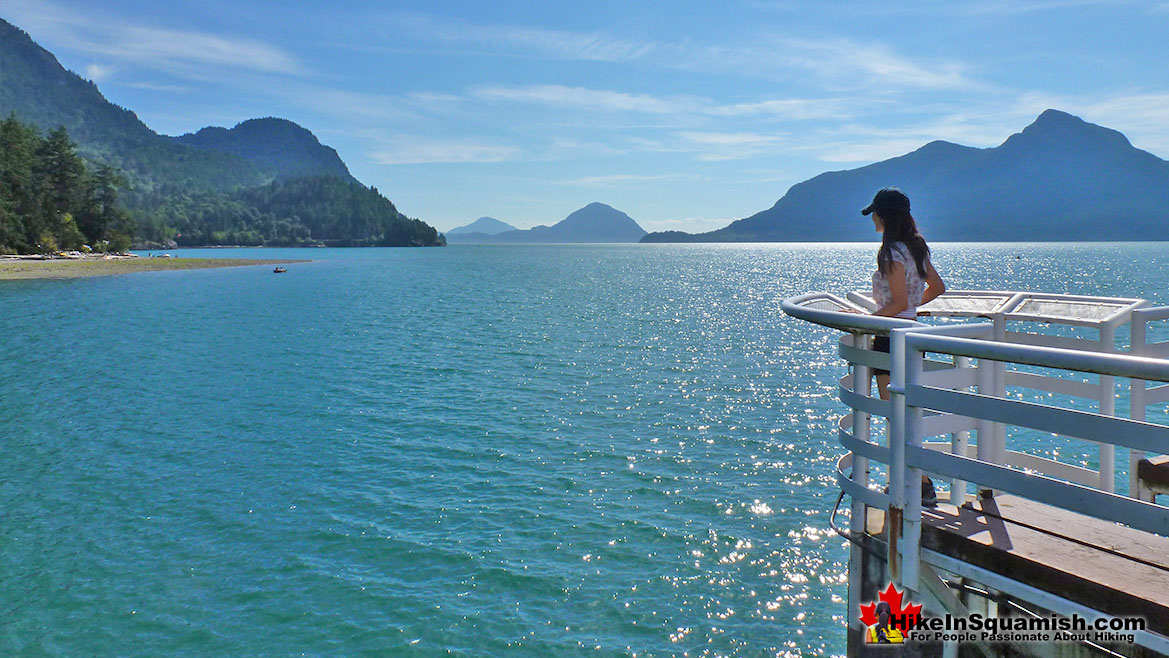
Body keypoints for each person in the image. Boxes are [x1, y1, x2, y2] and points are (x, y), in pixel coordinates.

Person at [862, 187, 945, 507]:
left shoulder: (890, 253)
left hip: (889, 340)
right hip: (912, 337)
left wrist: (866, 321)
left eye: (875, 215)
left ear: (883, 216)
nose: (873, 220)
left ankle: (919, 484)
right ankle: (919, 482)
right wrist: (913, 306)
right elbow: (936, 288)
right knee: (906, 414)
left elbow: (895, 302)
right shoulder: (916, 248)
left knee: (894, 416)